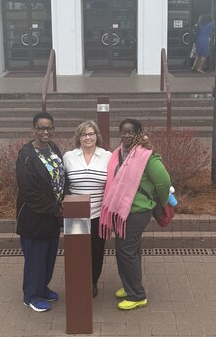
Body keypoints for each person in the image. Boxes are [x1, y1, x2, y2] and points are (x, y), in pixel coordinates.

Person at [99, 118, 171, 311]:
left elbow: (164, 182)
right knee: (130, 250)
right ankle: (129, 285)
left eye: (131, 132)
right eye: (123, 131)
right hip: (121, 211)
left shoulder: (147, 156)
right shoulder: (119, 153)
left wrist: (161, 202)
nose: (126, 135)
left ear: (139, 133)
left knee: (126, 251)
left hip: (137, 211)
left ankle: (137, 295)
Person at [16, 112, 66, 312]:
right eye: (41, 128)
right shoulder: (27, 155)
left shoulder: (53, 148)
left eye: (49, 128)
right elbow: (29, 191)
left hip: (52, 217)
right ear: (34, 130)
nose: (46, 131)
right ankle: (31, 296)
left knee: (48, 256)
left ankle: (42, 288)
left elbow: (61, 178)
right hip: (34, 217)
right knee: (35, 258)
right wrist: (56, 209)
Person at [63, 121, 112, 298]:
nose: (88, 137)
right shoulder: (69, 157)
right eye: (83, 134)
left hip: (98, 214)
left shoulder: (107, 156)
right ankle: (78, 281)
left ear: (97, 136)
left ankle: (92, 282)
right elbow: (63, 184)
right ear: (78, 137)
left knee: (96, 252)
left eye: (91, 134)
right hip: (76, 215)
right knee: (76, 252)